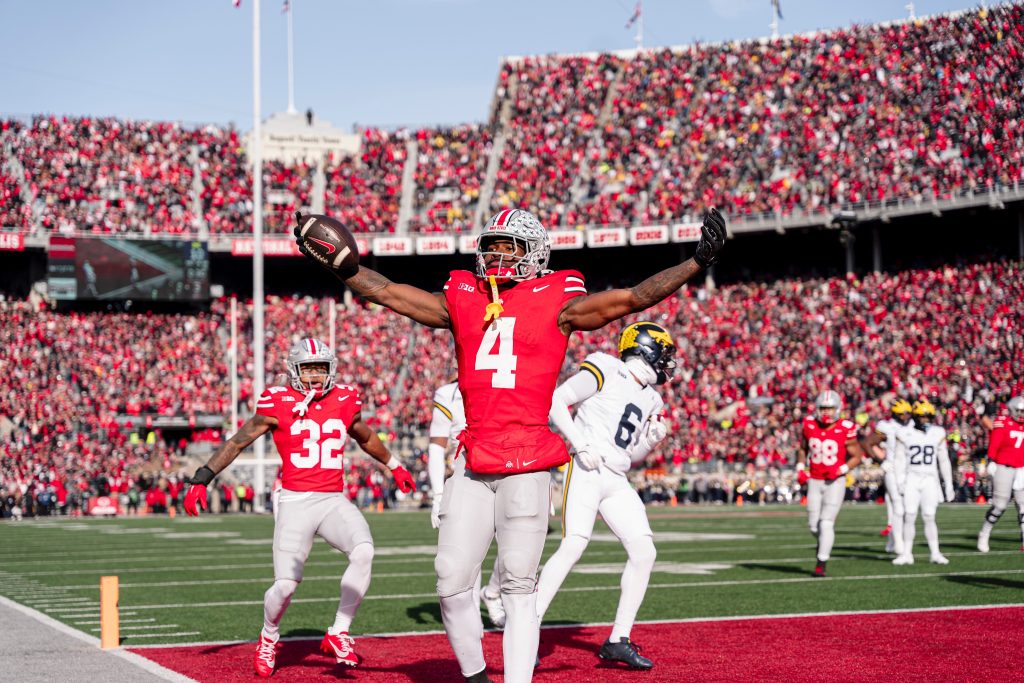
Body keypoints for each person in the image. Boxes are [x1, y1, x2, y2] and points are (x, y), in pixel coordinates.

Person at [294, 206, 726, 683]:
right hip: (474, 459)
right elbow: (389, 292)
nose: (497, 255)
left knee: (520, 588)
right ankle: (476, 674)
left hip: (527, 459)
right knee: (450, 581)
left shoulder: (558, 298)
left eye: (509, 246)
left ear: (536, 254)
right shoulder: (464, 296)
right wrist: (344, 269)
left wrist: (694, 263)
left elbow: (631, 298)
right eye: (492, 245)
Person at [181, 338, 416, 677]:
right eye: (309, 369)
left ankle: (338, 631)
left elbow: (364, 436)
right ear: (294, 370)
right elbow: (238, 441)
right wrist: (202, 477)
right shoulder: (276, 402)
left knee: (364, 551)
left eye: (321, 368)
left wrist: (395, 465)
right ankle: (269, 636)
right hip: (294, 500)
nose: (316, 376)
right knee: (286, 586)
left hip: (333, 498)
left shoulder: (345, 399)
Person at [537, 322, 675, 670]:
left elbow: (631, 451)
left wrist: (651, 441)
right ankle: (528, 624)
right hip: (584, 468)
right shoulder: (606, 366)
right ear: (646, 348)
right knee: (573, 546)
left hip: (615, 476)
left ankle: (618, 639)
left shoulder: (651, 397)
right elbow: (556, 401)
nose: (668, 363)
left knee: (644, 551)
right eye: (665, 353)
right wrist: (579, 444)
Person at [429, 380, 506, 628]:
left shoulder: (501, 382)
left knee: (517, 548)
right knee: (470, 552)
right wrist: (438, 495)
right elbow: (436, 445)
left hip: (505, 469)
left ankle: (493, 593)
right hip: (467, 475)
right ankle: (472, 619)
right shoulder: (448, 394)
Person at [796, 390, 865, 577]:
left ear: (838, 409)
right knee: (813, 526)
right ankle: (823, 543)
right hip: (815, 480)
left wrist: (841, 470)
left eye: (830, 408)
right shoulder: (809, 424)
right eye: (823, 408)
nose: (826, 412)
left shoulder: (845, 427)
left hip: (835, 481)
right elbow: (802, 448)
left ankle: (821, 563)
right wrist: (800, 467)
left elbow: (857, 456)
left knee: (826, 523)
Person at [891, 400, 954, 565]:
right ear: (916, 417)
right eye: (921, 417)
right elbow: (899, 460)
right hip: (912, 477)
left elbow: (944, 460)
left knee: (929, 516)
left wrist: (948, 483)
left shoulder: (938, 433)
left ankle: (935, 553)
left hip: (930, 479)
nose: (924, 420)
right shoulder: (905, 433)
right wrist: (900, 481)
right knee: (909, 515)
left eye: (927, 417)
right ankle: (906, 553)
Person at [863, 399, 913, 554]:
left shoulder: (913, 426)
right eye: (902, 414)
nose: (905, 417)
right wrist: (881, 461)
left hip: (909, 471)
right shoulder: (887, 427)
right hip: (892, 469)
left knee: (904, 507)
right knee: (898, 506)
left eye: (907, 414)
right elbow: (867, 443)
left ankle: (892, 540)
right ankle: (899, 543)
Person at [976, 395, 1024, 553]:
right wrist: (991, 461)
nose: (1022, 414)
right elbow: (995, 443)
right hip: (1005, 465)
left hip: (1022, 468)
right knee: (1000, 505)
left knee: (1023, 506)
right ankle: (985, 533)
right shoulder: (1003, 422)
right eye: (1019, 411)